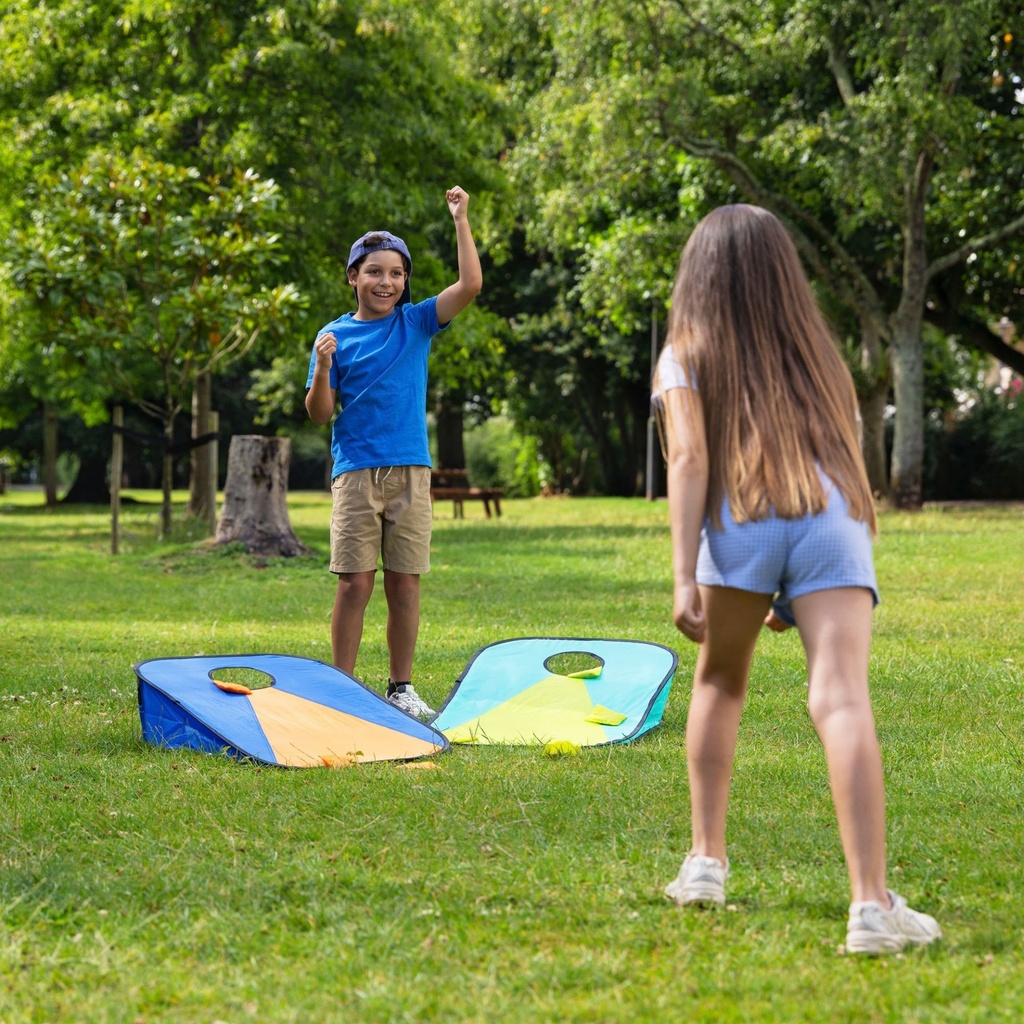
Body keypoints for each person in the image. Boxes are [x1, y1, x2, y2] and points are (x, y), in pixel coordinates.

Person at [654, 204, 941, 955]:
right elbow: (847, 449)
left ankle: (706, 863)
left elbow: (688, 460)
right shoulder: (818, 350)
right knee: (840, 695)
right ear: (786, 273)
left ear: (700, 273)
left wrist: (685, 574)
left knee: (720, 682)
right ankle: (871, 908)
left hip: (742, 518)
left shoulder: (684, 352)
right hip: (830, 517)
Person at [305, 187, 482, 720]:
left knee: (404, 583)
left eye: (397, 274)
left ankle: (400, 687)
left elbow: (470, 284)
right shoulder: (332, 336)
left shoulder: (417, 323)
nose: (387, 282)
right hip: (356, 474)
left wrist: (461, 220)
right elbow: (319, 413)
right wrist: (322, 367)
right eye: (375, 272)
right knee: (355, 584)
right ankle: (342, 687)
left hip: (410, 472)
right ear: (353, 277)